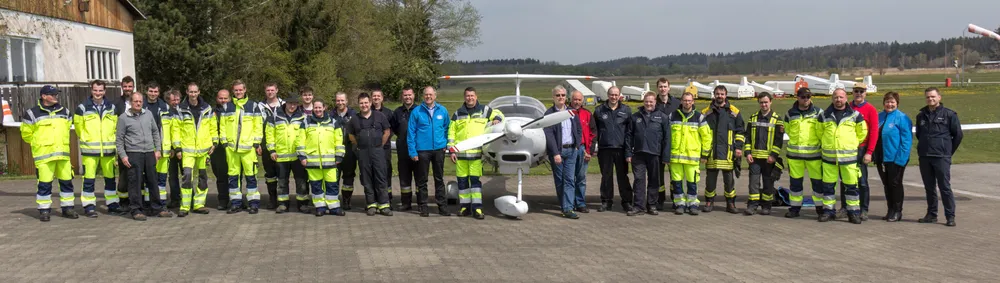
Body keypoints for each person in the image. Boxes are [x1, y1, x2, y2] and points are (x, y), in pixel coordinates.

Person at [447, 87, 503, 219]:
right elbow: (451, 132)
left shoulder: (485, 110)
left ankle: (477, 208)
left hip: (476, 156)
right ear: (464, 97)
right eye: (467, 96)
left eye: (472, 96)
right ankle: (464, 207)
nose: (470, 98)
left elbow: (499, 114)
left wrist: (497, 119)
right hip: (460, 155)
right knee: (462, 183)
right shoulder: (457, 113)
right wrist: (451, 150)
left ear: (476, 96)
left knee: (475, 183)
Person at [22, 86, 75, 221]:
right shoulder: (32, 113)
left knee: (67, 183)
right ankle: (44, 210)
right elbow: (26, 134)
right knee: (44, 185)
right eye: (52, 94)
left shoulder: (65, 112)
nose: (56, 96)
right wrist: (39, 144)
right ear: (44, 96)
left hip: (63, 155)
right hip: (44, 156)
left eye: (56, 94)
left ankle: (68, 208)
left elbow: (68, 128)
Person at [117, 92, 173, 220]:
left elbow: (155, 131)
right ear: (130, 102)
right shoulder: (123, 118)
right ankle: (136, 210)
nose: (138, 103)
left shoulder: (148, 114)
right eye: (135, 101)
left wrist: (158, 149)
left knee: (153, 181)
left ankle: (157, 207)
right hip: (133, 153)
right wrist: (123, 156)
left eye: (140, 101)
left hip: (149, 152)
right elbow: (119, 140)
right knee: (135, 183)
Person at [818, 88, 867, 224]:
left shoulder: (856, 115)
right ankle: (828, 211)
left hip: (849, 160)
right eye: (836, 97)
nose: (838, 100)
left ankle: (853, 213)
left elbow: (862, 133)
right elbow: (819, 133)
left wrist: (851, 144)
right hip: (829, 159)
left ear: (846, 98)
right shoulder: (823, 116)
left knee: (851, 186)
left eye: (841, 97)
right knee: (828, 187)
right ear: (832, 99)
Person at [915, 87, 962, 227]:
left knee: (944, 187)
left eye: (933, 96)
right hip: (925, 156)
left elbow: (958, 135)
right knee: (929, 187)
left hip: (941, 156)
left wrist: (947, 151)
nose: (930, 99)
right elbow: (919, 134)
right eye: (928, 97)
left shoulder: (949, 115)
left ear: (939, 97)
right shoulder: (921, 116)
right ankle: (931, 214)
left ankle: (950, 216)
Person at [74, 80, 120, 217]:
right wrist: (85, 138)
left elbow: (116, 126)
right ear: (91, 90)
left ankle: (112, 204)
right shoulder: (82, 108)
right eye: (95, 90)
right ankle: (89, 206)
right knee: (88, 180)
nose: (98, 93)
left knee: (110, 179)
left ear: (105, 91)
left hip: (109, 150)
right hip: (90, 151)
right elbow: (78, 127)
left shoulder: (112, 107)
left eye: (100, 90)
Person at [219, 80, 264, 214]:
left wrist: (256, 143)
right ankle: (236, 203)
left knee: (251, 177)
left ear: (245, 90)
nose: (238, 92)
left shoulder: (253, 106)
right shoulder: (227, 107)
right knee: (233, 178)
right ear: (233, 91)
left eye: (240, 90)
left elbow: (258, 126)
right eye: (236, 90)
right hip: (232, 150)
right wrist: (225, 143)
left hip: (248, 149)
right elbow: (222, 126)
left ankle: (253, 203)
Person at [407, 86, 451, 217]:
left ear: (435, 96)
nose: (428, 97)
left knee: (439, 178)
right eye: (426, 94)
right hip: (422, 150)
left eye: (430, 94)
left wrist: (446, 144)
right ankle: (423, 206)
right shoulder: (416, 111)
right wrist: (413, 152)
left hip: (438, 149)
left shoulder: (442, 111)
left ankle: (442, 206)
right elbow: (411, 133)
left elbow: (448, 128)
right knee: (422, 179)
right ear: (423, 96)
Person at [701, 85, 746, 213]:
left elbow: (740, 131)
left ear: (726, 95)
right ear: (714, 95)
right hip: (712, 152)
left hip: (728, 152)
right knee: (710, 180)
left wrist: (738, 147)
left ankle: (730, 203)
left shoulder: (734, 112)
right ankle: (709, 201)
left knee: (729, 181)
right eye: (717, 94)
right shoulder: (706, 112)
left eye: (722, 94)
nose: (720, 96)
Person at [175, 83, 217, 217]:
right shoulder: (180, 109)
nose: (193, 94)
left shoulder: (207, 108)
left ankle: (199, 204)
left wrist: (214, 142)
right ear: (187, 92)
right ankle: (185, 206)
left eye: (195, 92)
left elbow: (212, 126)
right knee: (187, 177)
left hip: (204, 150)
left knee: (203, 178)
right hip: (187, 150)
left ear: (199, 92)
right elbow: (176, 129)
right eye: (190, 92)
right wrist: (177, 148)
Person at [625, 92, 671, 216]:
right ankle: (639, 206)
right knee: (639, 180)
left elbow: (667, 138)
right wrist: (628, 153)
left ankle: (651, 205)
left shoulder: (662, 117)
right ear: (643, 102)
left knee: (654, 180)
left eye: (651, 101)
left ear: (655, 102)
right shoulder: (635, 117)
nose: (648, 104)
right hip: (638, 154)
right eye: (646, 101)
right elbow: (629, 136)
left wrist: (666, 156)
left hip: (655, 154)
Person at [299, 99, 346, 217]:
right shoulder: (306, 122)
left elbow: (339, 141)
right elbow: (300, 141)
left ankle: (334, 207)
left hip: (330, 162)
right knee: (316, 186)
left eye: (320, 107)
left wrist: (339, 156)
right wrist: (302, 156)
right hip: (312, 162)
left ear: (324, 108)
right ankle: (320, 207)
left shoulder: (333, 122)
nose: (318, 110)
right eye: (315, 108)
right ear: (312, 109)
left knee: (332, 185)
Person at [783, 88, 825, 218]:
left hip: (814, 157)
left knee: (818, 184)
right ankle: (795, 209)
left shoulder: (819, 113)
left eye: (808, 97)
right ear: (797, 97)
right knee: (795, 184)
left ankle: (820, 209)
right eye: (803, 97)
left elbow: (823, 131)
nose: (805, 99)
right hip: (795, 158)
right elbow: (788, 130)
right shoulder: (790, 114)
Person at [349, 93, 394, 216]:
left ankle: (384, 205)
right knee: (367, 179)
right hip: (363, 152)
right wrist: (357, 145)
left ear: (370, 103)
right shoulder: (355, 119)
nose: (364, 105)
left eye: (366, 102)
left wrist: (381, 145)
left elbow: (387, 131)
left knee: (381, 177)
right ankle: (371, 205)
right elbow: (351, 135)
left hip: (378, 151)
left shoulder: (380, 116)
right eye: (361, 103)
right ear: (359, 104)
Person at [840, 83, 879, 221]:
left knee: (862, 181)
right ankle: (845, 207)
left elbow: (874, 132)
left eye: (861, 91)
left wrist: (869, 152)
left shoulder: (870, 110)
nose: (859, 94)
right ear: (852, 92)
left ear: (865, 93)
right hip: (847, 149)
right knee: (845, 179)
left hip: (862, 149)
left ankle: (863, 209)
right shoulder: (847, 106)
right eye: (856, 91)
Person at [668, 92, 712, 215]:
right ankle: (680, 204)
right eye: (685, 100)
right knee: (676, 183)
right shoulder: (672, 116)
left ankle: (692, 204)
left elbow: (707, 137)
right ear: (681, 101)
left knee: (692, 183)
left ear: (693, 102)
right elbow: (666, 136)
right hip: (675, 158)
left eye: (689, 100)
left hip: (692, 158)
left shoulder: (699, 117)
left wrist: (705, 154)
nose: (687, 102)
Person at [590, 86, 633, 212]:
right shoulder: (599, 111)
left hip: (621, 149)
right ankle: (606, 201)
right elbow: (595, 131)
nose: (613, 97)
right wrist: (594, 147)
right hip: (605, 149)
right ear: (607, 95)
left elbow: (630, 132)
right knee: (606, 176)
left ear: (619, 95)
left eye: (616, 95)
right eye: (611, 95)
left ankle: (627, 201)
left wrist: (629, 150)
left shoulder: (626, 110)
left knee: (623, 177)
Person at [265, 95, 309, 214]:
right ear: (285, 104)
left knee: (301, 181)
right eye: (290, 103)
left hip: (297, 156)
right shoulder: (275, 116)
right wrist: (272, 150)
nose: (292, 106)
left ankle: (303, 204)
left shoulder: (303, 117)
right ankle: (283, 204)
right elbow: (269, 135)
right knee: (282, 181)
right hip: (281, 156)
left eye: (294, 104)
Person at [545, 85, 583, 219]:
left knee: (569, 180)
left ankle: (567, 208)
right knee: (560, 181)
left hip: (572, 150)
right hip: (558, 152)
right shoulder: (549, 114)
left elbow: (578, 129)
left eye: (562, 95)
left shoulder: (572, 112)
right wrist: (555, 153)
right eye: (558, 95)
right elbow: (549, 135)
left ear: (566, 97)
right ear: (553, 97)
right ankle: (565, 205)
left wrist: (577, 144)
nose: (560, 97)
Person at [742, 92, 783, 215]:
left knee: (768, 183)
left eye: (766, 102)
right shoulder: (753, 117)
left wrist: (773, 156)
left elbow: (778, 140)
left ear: (771, 102)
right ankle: (752, 205)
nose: (764, 104)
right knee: (753, 184)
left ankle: (766, 206)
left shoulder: (777, 119)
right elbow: (747, 137)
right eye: (761, 102)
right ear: (758, 103)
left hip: (768, 159)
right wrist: (747, 153)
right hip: (754, 158)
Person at [874, 91, 912, 223]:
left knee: (895, 184)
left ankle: (897, 211)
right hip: (881, 157)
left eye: (892, 102)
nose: (889, 104)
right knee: (886, 184)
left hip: (895, 158)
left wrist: (900, 160)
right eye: (887, 102)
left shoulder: (902, 118)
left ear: (897, 103)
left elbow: (906, 141)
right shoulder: (879, 117)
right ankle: (890, 209)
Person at [142, 82, 171, 208]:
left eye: (155, 92)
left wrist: (173, 147)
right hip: (147, 147)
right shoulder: (141, 106)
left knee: (162, 178)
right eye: (151, 91)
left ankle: (161, 203)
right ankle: (149, 204)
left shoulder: (165, 107)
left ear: (159, 93)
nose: (153, 94)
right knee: (149, 177)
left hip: (164, 147)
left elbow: (172, 127)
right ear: (146, 92)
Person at [654, 77, 681, 211]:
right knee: (658, 175)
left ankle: (676, 199)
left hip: (673, 145)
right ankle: (660, 199)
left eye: (665, 86)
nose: (663, 89)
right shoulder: (653, 103)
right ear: (657, 88)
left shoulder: (677, 103)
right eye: (660, 86)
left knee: (674, 175)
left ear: (669, 88)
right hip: (657, 145)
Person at [392, 87, 418, 211]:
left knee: (420, 177)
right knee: (404, 178)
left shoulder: (419, 110)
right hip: (403, 150)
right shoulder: (397, 112)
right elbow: (394, 129)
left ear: (414, 96)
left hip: (418, 150)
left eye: (410, 95)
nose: (407, 97)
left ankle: (420, 202)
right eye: (405, 95)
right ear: (402, 97)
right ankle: (406, 202)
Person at [259, 82, 284, 209]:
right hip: (265, 144)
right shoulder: (259, 106)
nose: (270, 92)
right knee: (270, 174)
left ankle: (282, 199)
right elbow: (256, 125)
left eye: (272, 90)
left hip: (282, 145)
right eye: (268, 90)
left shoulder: (284, 105)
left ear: (277, 90)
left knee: (282, 173)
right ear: (265, 91)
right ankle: (272, 198)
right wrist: (257, 144)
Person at [332, 92, 358, 210]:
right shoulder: (329, 115)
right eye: (338, 100)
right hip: (333, 152)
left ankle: (347, 200)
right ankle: (333, 200)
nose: (340, 103)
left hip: (349, 151)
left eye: (342, 100)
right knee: (333, 177)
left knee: (348, 177)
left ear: (347, 101)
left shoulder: (354, 115)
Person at [370, 89, 396, 205]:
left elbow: (392, 129)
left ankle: (387, 197)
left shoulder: (389, 113)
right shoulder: (366, 112)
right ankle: (374, 198)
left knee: (385, 172)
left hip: (384, 149)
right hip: (370, 149)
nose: (376, 98)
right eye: (374, 96)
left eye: (378, 96)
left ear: (382, 98)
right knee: (372, 172)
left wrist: (383, 142)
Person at [570, 90, 594, 213]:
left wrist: (589, 150)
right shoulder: (565, 113)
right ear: (571, 99)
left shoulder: (587, 114)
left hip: (582, 149)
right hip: (569, 149)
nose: (577, 102)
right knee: (569, 178)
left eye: (579, 99)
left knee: (581, 178)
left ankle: (580, 202)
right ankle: (570, 203)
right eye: (575, 99)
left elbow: (593, 133)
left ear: (582, 101)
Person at [115, 76, 136, 208]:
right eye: (125, 86)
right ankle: (123, 201)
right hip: (123, 144)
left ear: (133, 87)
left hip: (137, 143)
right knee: (123, 175)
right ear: (122, 87)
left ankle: (136, 200)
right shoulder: (116, 103)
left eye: (130, 86)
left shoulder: (139, 101)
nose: (128, 89)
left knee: (138, 174)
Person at [210, 89, 231, 210]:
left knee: (235, 175)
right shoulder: (211, 112)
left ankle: (236, 200)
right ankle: (223, 200)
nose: (223, 100)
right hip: (218, 149)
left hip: (232, 146)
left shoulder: (234, 110)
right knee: (221, 175)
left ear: (229, 99)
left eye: (225, 98)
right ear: (216, 99)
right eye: (220, 98)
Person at [163, 90, 184, 208]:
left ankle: (188, 199)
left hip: (184, 148)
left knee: (186, 175)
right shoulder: (165, 112)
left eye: (178, 99)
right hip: (171, 149)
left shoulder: (185, 110)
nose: (176, 102)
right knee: (172, 176)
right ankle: (175, 199)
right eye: (173, 100)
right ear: (168, 100)